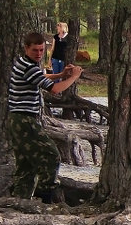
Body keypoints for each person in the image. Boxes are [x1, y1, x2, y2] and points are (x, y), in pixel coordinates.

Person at [7, 31, 83, 201]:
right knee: (51, 154)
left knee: (26, 165)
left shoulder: (26, 64)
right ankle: (44, 197)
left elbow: (41, 77)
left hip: (19, 119)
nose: (39, 54)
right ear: (26, 48)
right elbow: (55, 90)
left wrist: (61, 75)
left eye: (42, 50)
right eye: (35, 50)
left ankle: (20, 203)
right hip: (24, 120)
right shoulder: (27, 66)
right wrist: (74, 77)